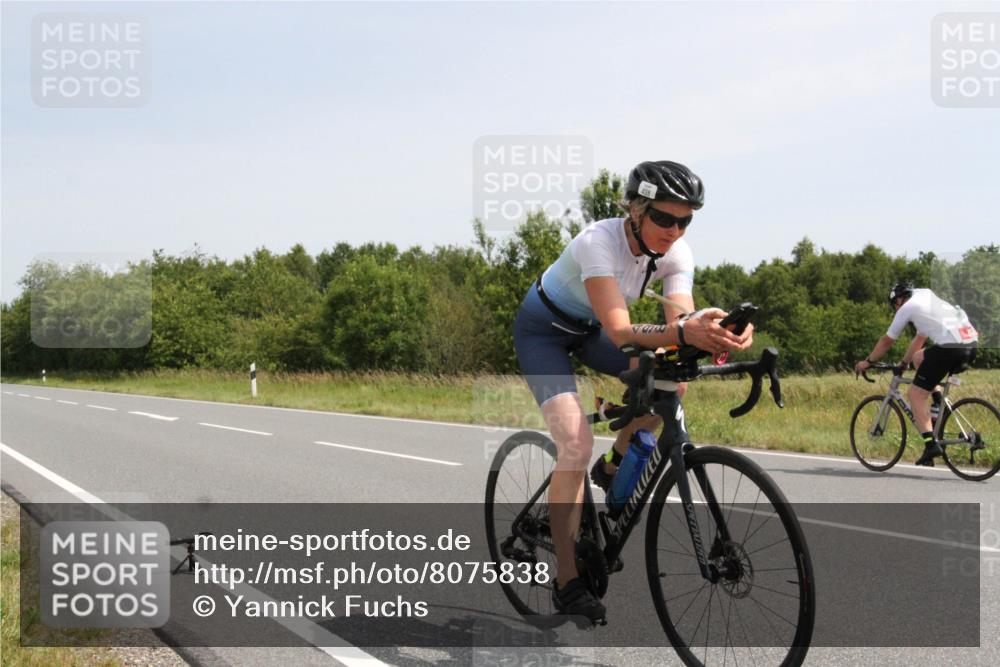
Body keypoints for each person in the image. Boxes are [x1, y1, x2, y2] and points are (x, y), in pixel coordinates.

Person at [512, 160, 753, 622]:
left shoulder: (677, 252)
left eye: (685, 220)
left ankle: (614, 464)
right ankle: (567, 579)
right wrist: (683, 333)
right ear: (636, 209)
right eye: (664, 218)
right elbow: (622, 330)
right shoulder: (597, 243)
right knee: (575, 443)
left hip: (589, 329)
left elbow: (677, 323)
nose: (674, 230)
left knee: (671, 378)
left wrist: (716, 331)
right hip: (543, 332)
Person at [854, 282, 979, 466]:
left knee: (915, 394)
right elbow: (919, 340)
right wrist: (904, 363)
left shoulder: (907, 308)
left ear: (898, 300)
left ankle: (930, 445)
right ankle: (937, 402)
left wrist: (868, 362)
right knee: (919, 358)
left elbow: (887, 341)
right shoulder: (925, 297)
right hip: (971, 345)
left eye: (894, 305)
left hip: (950, 348)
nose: (896, 309)